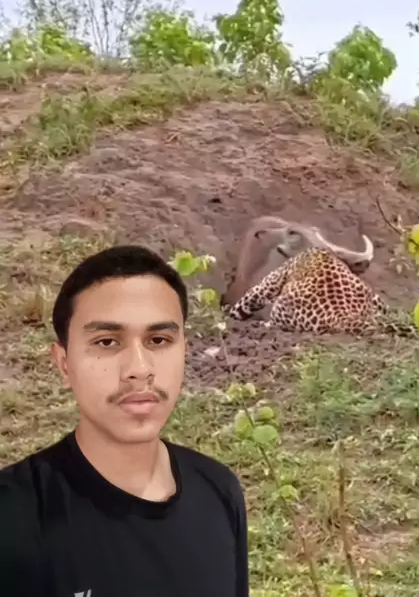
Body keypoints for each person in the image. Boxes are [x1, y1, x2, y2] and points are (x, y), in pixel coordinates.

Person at [0, 244, 249, 597]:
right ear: (64, 364)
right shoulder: (13, 515)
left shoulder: (219, 492)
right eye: (106, 342)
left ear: (184, 350)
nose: (139, 369)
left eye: (159, 340)